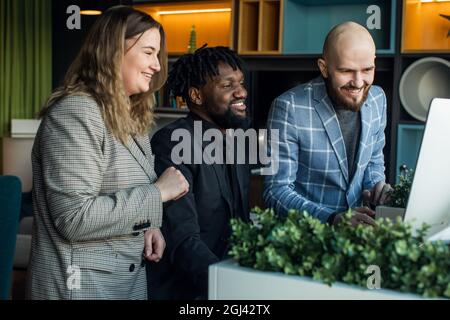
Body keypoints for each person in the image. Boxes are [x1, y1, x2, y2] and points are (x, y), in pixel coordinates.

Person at [26, 6, 189, 300]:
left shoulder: (129, 116)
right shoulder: (75, 112)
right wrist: (158, 194)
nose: (156, 65)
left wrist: (150, 225)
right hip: (81, 286)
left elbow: (123, 187)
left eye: (157, 54)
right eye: (149, 52)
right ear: (114, 52)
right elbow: (74, 218)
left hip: (123, 284)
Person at [263, 21, 392, 227]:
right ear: (324, 68)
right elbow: (275, 191)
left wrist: (375, 188)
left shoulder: (378, 98)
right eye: (346, 71)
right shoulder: (289, 107)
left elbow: (373, 161)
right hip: (307, 240)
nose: (358, 82)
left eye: (367, 69)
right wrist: (332, 219)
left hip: (361, 237)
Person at [147, 46, 251, 300]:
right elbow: (182, 239)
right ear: (196, 95)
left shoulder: (236, 140)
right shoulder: (171, 142)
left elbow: (240, 223)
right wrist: (226, 285)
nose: (241, 92)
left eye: (241, 83)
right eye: (228, 85)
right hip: (184, 291)